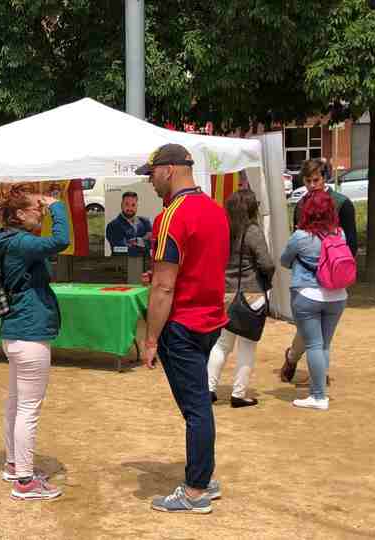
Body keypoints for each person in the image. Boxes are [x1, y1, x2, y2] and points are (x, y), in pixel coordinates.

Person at [136, 144, 228, 514]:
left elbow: (164, 288)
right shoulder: (215, 209)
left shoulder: (172, 216)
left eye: (151, 173)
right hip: (210, 321)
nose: (150, 181)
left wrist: (151, 339)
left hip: (183, 325)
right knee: (199, 406)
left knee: (196, 409)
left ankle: (195, 490)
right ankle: (202, 478)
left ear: (169, 170)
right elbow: (198, 266)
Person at [0, 184, 70, 501]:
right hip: (30, 333)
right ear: (18, 214)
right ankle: (25, 482)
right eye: (37, 209)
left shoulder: (6, 240)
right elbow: (61, 241)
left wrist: (45, 205)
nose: (41, 213)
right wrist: (58, 206)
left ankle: (14, 464)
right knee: (28, 409)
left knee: (16, 404)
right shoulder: (22, 242)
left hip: (15, 332)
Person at [280, 158, 357, 383]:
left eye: (316, 179)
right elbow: (296, 241)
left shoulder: (342, 203)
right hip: (307, 279)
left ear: (325, 178)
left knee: (318, 335)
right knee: (312, 332)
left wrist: (338, 271)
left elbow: (350, 246)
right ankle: (296, 359)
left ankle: (309, 372)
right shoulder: (301, 204)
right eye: (308, 181)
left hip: (333, 278)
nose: (312, 185)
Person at [279, 190, 347, 411]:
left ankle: (318, 396)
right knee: (324, 344)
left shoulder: (300, 237)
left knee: (313, 345)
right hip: (337, 295)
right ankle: (320, 388)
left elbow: (284, 261)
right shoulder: (340, 233)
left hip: (307, 294)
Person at [206, 189, 275, 408]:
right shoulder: (252, 231)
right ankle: (239, 393)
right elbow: (267, 264)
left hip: (226, 293)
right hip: (251, 294)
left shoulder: (223, 229)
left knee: (221, 345)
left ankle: (208, 389)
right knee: (247, 347)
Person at [105, 191, 153, 256]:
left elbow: (154, 244)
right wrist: (145, 241)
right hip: (123, 263)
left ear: (137, 206)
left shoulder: (145, 222)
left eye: (133, 205)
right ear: (121, 205)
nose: (130, 208)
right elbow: (119, 249)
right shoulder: (113, 225)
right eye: (127, 204)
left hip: (145, 263)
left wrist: (136, 241)